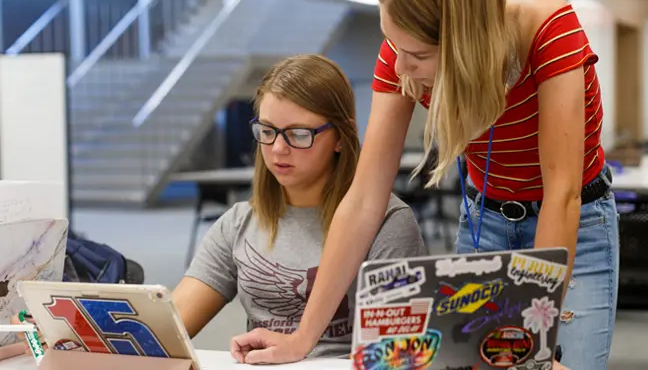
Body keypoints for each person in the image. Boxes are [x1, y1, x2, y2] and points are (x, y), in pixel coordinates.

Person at [222, 0, 618, 370]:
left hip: (574, 222)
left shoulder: (548, 28)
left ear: (468, 42)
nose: (400, 67)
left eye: (418, 55)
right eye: (394, 47)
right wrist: (302, 338)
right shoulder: (402, 50)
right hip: (487, 222)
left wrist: (536, 342)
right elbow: (364, 199)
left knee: (543, 365)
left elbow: (562, 194)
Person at [9, 54, 426, 362]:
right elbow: (169, 327)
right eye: (267, 131)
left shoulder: (388, 224)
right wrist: (69, 334)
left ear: (340, 136)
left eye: (298, 134)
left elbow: (396, 354)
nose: (277, 149)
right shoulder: (240, 223)